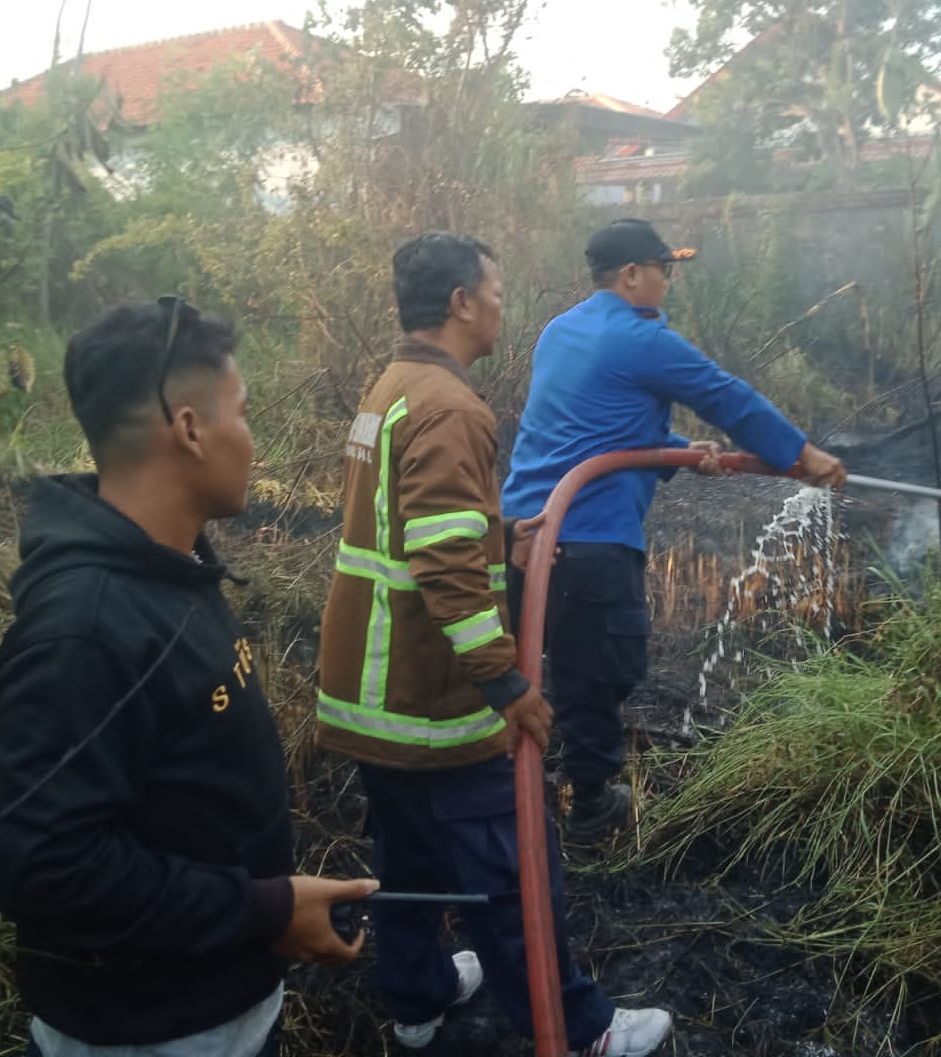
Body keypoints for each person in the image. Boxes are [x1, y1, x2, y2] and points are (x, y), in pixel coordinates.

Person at [316, 232, 673, 1057]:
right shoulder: (450, 407)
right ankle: (577, 1028)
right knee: (515, 867)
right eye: (497, 291)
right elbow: (442, 565)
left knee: (404, 857)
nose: (503, 306)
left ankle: (419, 999)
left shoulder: (393, 387)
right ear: (460, 303)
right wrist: (506, 684)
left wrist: (501, 533)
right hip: (435, 698)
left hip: (375, 697)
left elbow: (417, 530)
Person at [0, 298, 377, 1057]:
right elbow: (45, 870)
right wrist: (263, 911)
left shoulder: (170, 569)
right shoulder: (86, 627)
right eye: (243, 413)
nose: (253, 441)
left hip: (216, 1005)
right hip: (147, 1032)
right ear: (190, 428)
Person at [502, 218, 848, 841]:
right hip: (588, 542)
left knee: (536, 668)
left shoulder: (562, 332)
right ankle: (589, 809)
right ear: (632, 274)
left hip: (527, 538)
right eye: (665, 269)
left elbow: (589, 424)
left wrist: (676, 449)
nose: (670, 280)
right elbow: (726, 396)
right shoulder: (641, 339)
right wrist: (803, 455)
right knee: (601, 675)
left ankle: (516, 789)